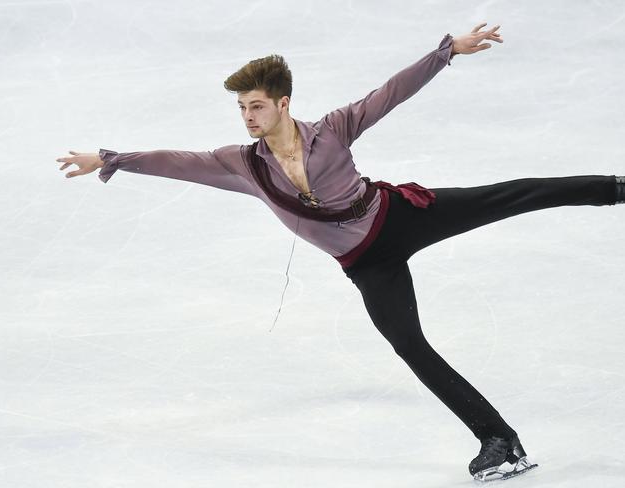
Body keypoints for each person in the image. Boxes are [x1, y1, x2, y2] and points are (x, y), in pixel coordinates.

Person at [56, 22, 624, 482]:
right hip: (367, 264)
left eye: (256, 106)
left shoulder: (332, 129)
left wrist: (446, 51)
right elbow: (174, 160)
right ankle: (498, 439)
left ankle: (615, 189)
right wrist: (110, 158)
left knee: (512, 195)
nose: (248, 117)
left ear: (282, 103)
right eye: (241, 109)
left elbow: (389, 93)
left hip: (402, 214)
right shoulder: (242, 164)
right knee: (412, 348)